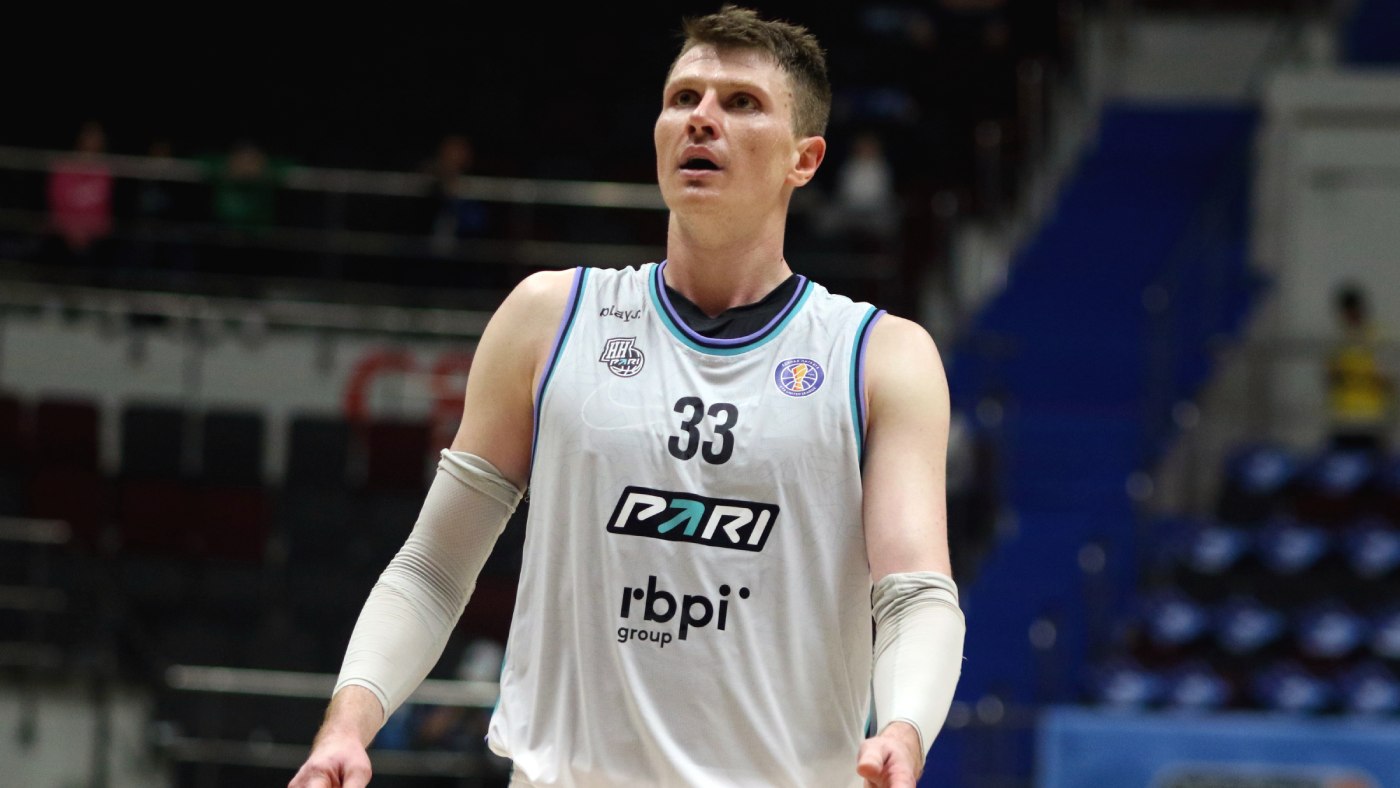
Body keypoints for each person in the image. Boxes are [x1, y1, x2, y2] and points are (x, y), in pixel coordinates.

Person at [289, 7, 964, 788]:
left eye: (741, 103)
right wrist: (348, 723)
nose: (702, 118)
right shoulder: (548, 319)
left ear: (803, 159)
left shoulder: (879, 357)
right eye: (683, 98)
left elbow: (915, 595)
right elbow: (434, 567)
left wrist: (905, 729)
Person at [1326, 284, 1393, 453]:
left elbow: (1386, 379)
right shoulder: (1338, 341)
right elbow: (1331, 377)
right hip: (1343, 417)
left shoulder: (1376, 338)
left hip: (1371, 418)